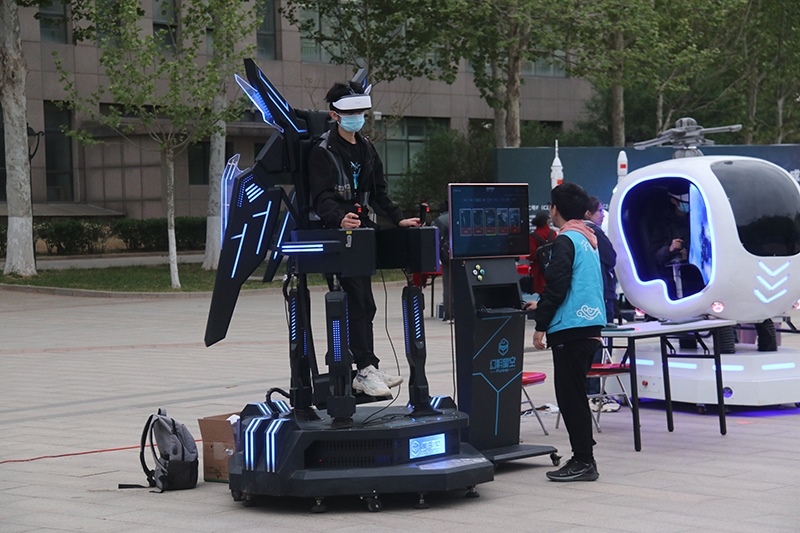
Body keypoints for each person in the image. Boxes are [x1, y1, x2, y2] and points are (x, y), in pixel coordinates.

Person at [307, 81, 419, 397]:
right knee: (354, 302)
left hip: (364, 233)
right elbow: (321, 197)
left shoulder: (367, 147)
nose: (358, 118)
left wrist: (398, 218)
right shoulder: (322, 150)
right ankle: (364, 370)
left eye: (361, 112)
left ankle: (368, 366)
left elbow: (379, 192)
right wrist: (339, 217)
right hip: (339, 236)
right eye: (350, 113)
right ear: (334, 115)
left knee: (366, 304)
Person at [525, 182, 606, 482]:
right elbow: (577, 283)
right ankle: (584, 457)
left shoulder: (566, 240)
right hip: (590, 324)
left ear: (554, 209)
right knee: (576, 395)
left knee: (570, 397)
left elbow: (557, 285)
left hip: (570, 328)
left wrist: (541, 324)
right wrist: (543, 305)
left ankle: (584, 461)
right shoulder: (588, 238)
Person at [584, 197, 620, 413]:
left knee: (589, 343)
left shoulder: (572, 233)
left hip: (588, 298)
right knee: (601, 344)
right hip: (602, 296)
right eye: (599, 210)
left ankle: (589, 391)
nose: (603, 214)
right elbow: (611, 257)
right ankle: (595, 393)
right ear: (588, 213)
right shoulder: (594, 232)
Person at [431, 201, 453, 321]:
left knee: (448, 284)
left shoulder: (437, 221)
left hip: (445, 256)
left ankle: (449, 313)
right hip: (461, 254)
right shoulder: (459, 216)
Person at [528, 210, 557, 295]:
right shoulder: (553, 233)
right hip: (553, 267)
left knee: (541, 292)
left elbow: (531, 255)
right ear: (547, 221)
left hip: (538, 270)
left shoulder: (533, 236)